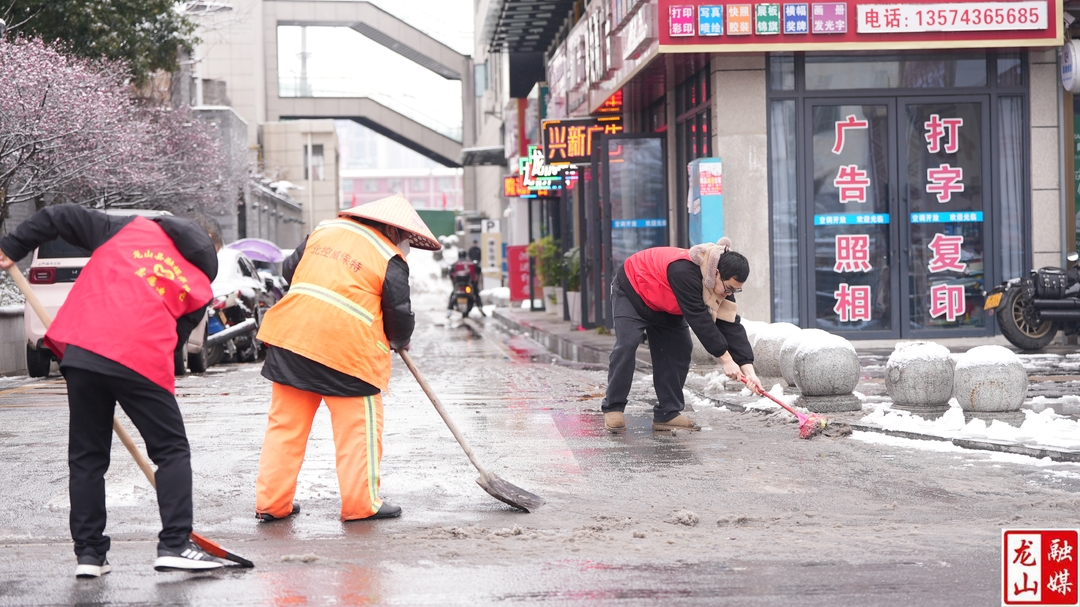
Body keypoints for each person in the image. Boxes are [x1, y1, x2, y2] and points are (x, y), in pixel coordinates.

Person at [0, 204, 224, 578]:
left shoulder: (127, 230)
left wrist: (11, 244)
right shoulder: (200, 283)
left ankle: (89, 555)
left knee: (87, 458)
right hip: (140, 357)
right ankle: (175, 544)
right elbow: (173, 348)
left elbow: (58, 216)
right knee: (170, 451)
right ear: (211, 246)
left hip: (83, 350)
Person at [254, 194, 440, 523]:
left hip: (291, 341)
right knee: (358, 432)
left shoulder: (323, 231)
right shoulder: (388, 255)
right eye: (405, 238)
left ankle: (272, 503)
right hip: (348, 356)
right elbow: (398, 311)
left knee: (285, 428)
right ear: (392, 229)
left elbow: (289, 271)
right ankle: (360, 505)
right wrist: (400, 340)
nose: (405, 244)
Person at [601, 237, 763, 433]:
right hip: (634, 290)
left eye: (735, 290)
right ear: (717, 273)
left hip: (667, 303)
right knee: (627, 344)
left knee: (680, 349)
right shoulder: (684, 272)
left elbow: (730, 325)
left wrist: (749, 371)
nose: (729, 293)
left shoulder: (721, 285)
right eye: (729, 288)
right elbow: (700, 321)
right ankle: (614, 407)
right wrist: (726, 359)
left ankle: (667, 414)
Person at [447, 249, 484, 315]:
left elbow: (450, 273)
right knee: (476, 294)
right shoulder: (471, 263)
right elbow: (478, 270)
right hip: (470, 284)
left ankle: (449, 310)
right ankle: (480, 307)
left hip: (458, 285)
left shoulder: (455, 264)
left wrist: (454, 282)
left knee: (452, 295)